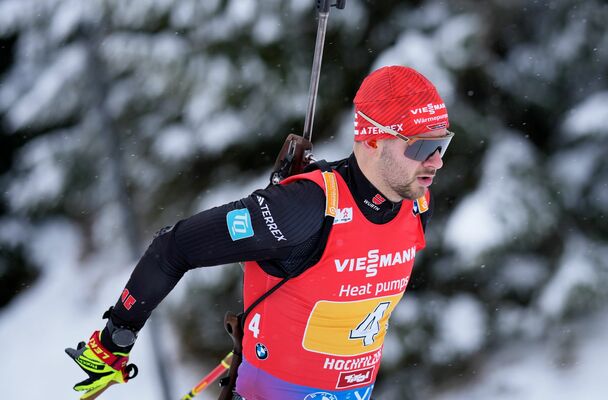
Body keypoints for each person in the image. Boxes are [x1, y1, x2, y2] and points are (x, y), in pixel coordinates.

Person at [65, 65, 454, 400]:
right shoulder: (305, 208)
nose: (435, 162)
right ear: (371, 139)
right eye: (422, 147)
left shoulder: (417, 203)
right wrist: (117, 337)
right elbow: (175, 246)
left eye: (442, 144)